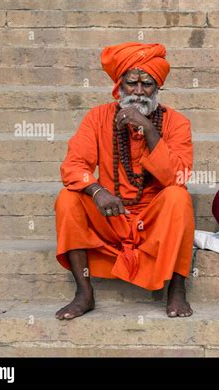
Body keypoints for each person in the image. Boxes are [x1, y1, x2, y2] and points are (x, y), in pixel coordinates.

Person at [54, 42, 195, 320]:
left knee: (179, 198)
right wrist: (96, 191)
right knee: (68, 198)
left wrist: (150, 131)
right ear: (119, 85)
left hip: (153, 222)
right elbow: (73, 165)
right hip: (111, 215)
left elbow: (176, 177)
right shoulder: (97, 117)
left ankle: (177, 289)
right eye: (132, 83)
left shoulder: (176, 123)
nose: (139, 91)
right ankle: (84, 293)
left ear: (158, 88)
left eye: (148, 84)